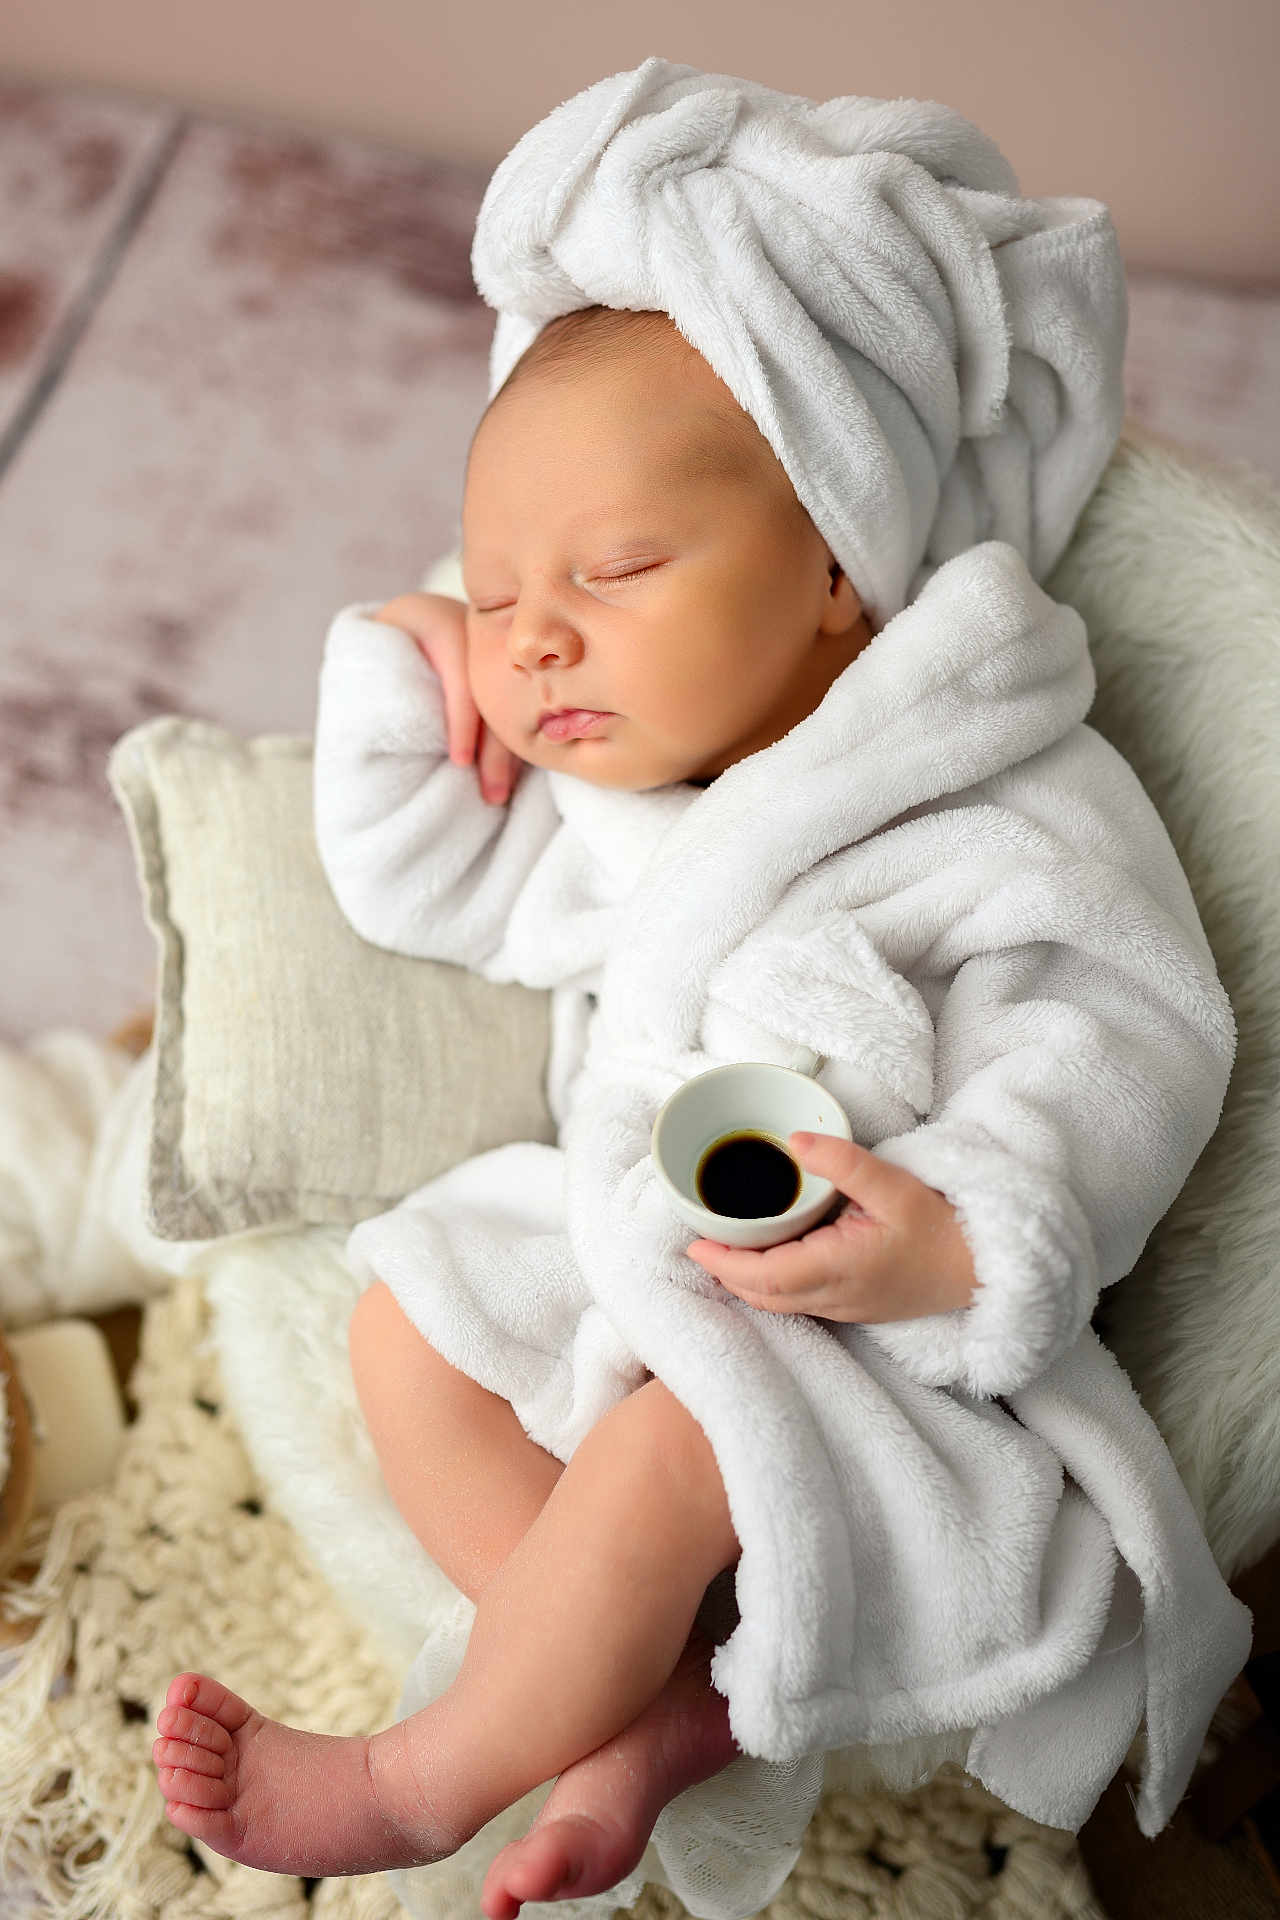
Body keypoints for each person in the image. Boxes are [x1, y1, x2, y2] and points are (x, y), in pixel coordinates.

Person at [149, 61, 1251, 1920]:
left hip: (863, 1311)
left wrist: (966, 1238)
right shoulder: (620, 802)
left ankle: (435, 1774)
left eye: (614, 568)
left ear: (837, 563)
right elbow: (431, 892)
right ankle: (624, 1702)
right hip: (629, 1252)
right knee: (403, 1322)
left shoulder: (1000, 778)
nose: (541, 631)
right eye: (506, 591)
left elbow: (1127, 1025)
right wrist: (417, 673)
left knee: (678, 1446)